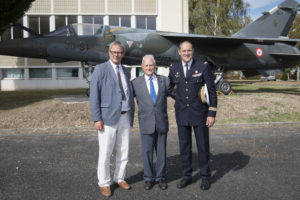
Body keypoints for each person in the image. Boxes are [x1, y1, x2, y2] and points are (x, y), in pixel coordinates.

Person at [168, 41, 217, 190]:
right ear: (179, 52)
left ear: (193, 51)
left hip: (200, 113)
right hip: (182, 113)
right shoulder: (174, 68)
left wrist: (211, 113)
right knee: (184, 147)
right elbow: (170, 88)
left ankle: (205, 177)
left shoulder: (203, 66)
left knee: (202, 147)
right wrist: (179, 97)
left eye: (189, 51)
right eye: (184, 51)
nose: (186, 53)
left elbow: (212, 91)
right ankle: (187, 176)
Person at [89, 41, 135, 197]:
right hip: (107, 118)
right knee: (106, 152)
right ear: (109, 52)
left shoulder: (126, 71)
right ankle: (104, 182)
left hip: (125, 116)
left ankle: (119, 178)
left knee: (124, 151)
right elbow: (94, 95)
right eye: (114, 52)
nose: (117, 55)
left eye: (120, 52)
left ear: (123, 54)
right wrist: (96, 118)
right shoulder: (100, 69)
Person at [131, 55, 169, 190]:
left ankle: (161, 178)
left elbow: (178, 94)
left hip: (161, 122)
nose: (149, 68)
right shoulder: (135, 83)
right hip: (146, 123)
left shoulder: (164, 80)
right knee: (146, 152)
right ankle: (148, 178)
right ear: (142, 67)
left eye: (151, 65)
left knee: (161, 153)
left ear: (155, 66)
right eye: (146, 65)